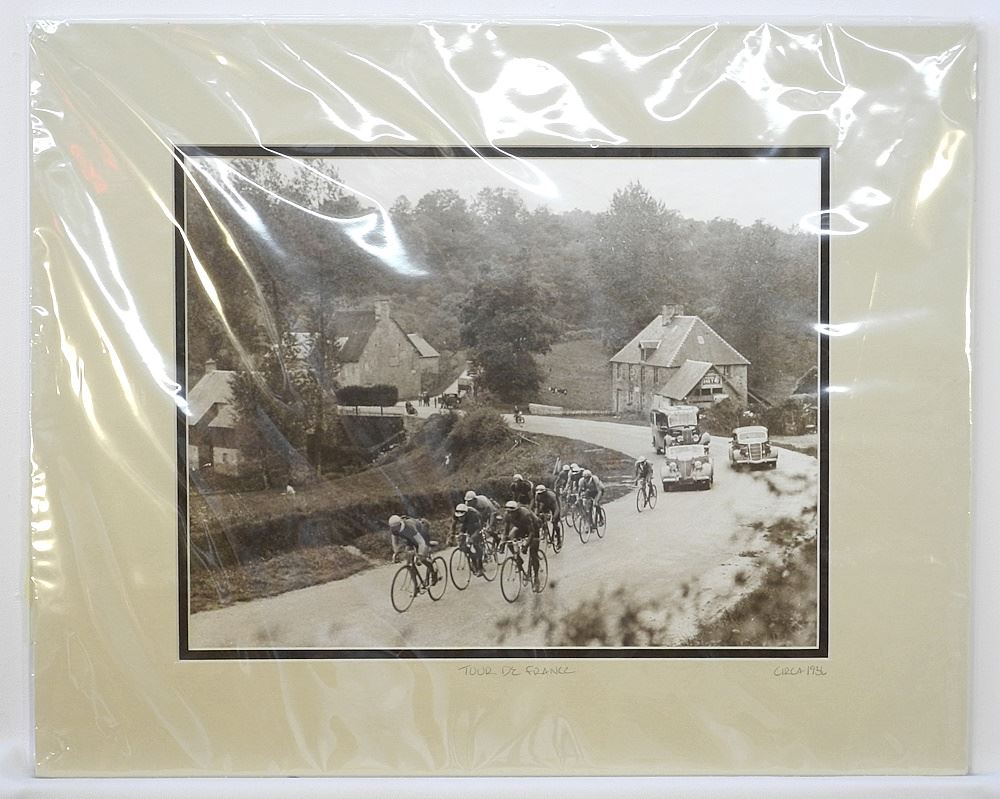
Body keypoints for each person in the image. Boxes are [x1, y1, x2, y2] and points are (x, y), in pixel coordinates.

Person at [502, 499, 542, 591]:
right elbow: (506, 530)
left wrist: (526, 546)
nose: (510, 514)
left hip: (534, 528)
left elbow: (531, 532)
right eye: (509, 512)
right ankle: (518, 560)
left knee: (533, 552)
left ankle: (536, 578)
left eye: (512, 512)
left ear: (517, 511)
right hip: (521, 528)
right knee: (509, 541)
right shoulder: (507, 515)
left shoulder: (525, 514)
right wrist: (503, 542)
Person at [388, 514, 437, 586]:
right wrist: (396, 553)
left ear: (399, 524)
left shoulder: (409, 527)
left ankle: (433, 572)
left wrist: (420, 554)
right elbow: (395, 543)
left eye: (396, 527)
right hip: (410, 539)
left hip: (422, 536)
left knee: (422, 559)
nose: (394, 529)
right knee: (409, 563)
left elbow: (421, 542)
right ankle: (416, 586)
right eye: (393, 528)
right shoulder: (393, 530)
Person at [452, 503, 485, 575]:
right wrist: (452, 535)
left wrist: (472, 538)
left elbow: (478, 529)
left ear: (466, 513)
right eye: (459, 517)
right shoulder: (456, 515)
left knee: (475, 544)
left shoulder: (473, 514)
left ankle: (480, 567)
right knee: (463, 546)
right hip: (466, 523)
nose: (460, 518)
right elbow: (453, 525)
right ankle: (473, 560)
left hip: (477, 524)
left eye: (462, 516)